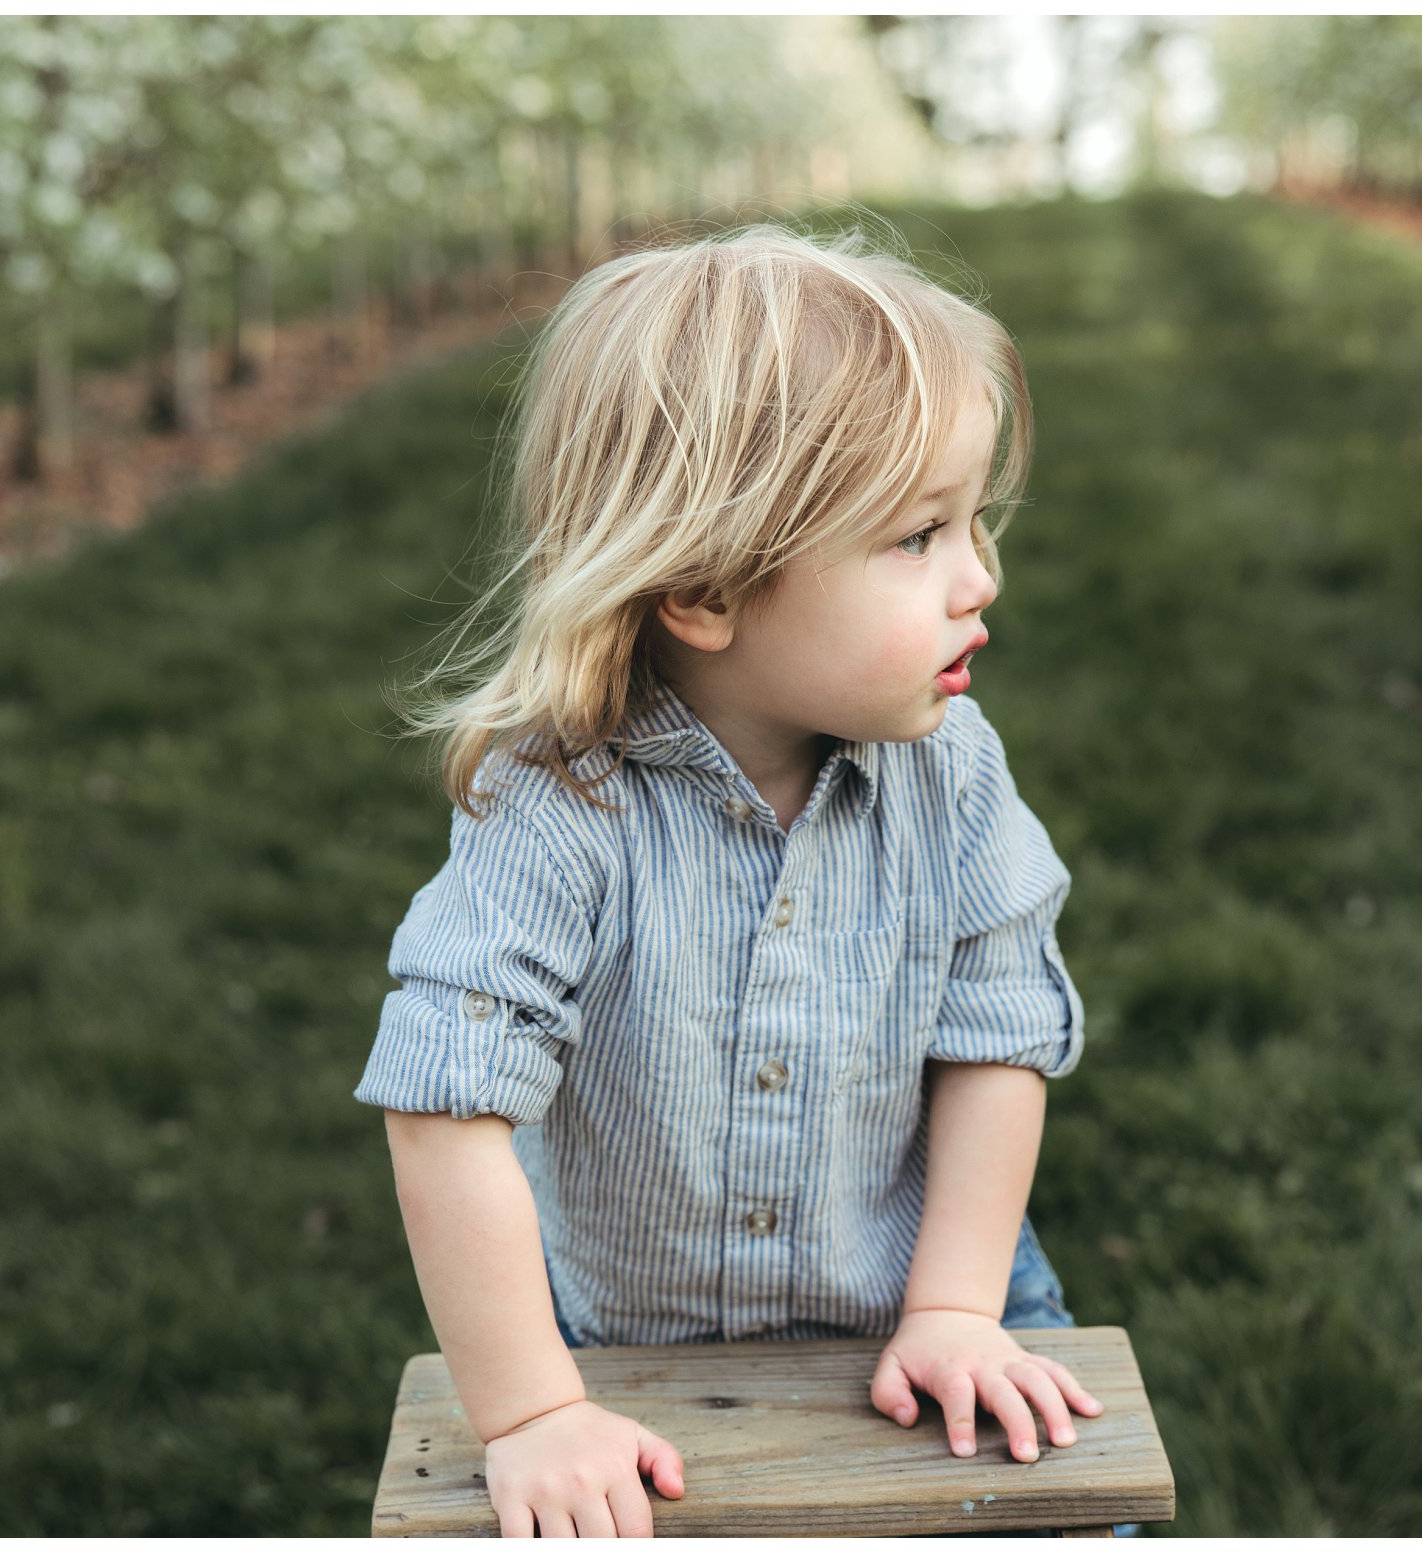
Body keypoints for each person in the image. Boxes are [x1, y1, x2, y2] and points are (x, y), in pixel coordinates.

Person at [355, 220, 1124, 1538]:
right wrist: (538, 1410)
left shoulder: (954, 773)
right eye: (918, 537)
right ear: (706, 588)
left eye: (975, 522)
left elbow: (997, 1034)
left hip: (915, 1288)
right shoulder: (562, 807)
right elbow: (445, 1101)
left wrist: (953, 1306)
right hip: (619, 1330)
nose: (980, 576)